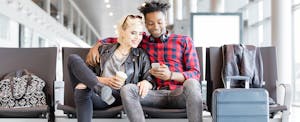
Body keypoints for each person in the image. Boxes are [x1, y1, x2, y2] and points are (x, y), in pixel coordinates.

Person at [86, 1, 202, 122]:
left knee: (192, 83)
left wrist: (171, 75)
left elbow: (195, 74)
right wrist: (97, 45)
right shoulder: (141, 40)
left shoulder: (184, 41)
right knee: (128, 89)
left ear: (166, 21)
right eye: (151, 23)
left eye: (160, 22)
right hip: (153, 95)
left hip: (179, 94)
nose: (156, 27)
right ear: (145, 24)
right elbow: (121, 38)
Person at [68, 14, 155, 122]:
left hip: (117, 97)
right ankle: (99, 88)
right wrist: (104, 81)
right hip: (97, 94)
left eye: (140, 34)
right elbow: (85, 75)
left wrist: (146, 83)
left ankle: (98, 88)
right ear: (122, 32)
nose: (138, 38)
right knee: (73, 61)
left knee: (81, 88)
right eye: (133, 33)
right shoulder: (103, 50)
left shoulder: (141, 56)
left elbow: (150, 79)